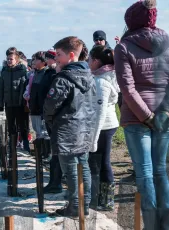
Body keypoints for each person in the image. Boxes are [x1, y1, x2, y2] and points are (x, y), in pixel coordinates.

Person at [114, 0, 169, 228]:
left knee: (145, 173)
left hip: (137, 117)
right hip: (163, 116)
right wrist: (164, 111)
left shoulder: (124, 47)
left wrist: (146, 116)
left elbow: (127, 88)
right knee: (160, 170)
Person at [44, 36, 97, 217]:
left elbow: (50, 106)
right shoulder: (89, 76)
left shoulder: (64, 79)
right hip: (85, 129)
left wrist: (50, 120)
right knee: (83, 166)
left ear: (71, 55)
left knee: (71, 170)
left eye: (59, 54)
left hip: (66, 130)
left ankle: (75, 206)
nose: (56, 58)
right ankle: (84, 204)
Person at [88, 46, 120, 210]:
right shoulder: (103, 77)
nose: (87, 62)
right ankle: (98, 197)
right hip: (103, 126)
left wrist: (93, 139)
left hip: (104, 127)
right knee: (98, 163)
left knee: (103, 163)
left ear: (96, 61)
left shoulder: (101, 82)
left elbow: (100, 112)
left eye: (89, 59)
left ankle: (107, 200)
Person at [0, 47, 29, 153]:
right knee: (11, 125)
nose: (9, 61)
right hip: (9, 103)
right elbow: (1, 88)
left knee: (22, 125)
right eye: (8, 59)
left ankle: (26, 144)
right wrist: (0, 103)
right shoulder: (4, 72)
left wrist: (24, 102)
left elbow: (25, 87)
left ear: (16, 59)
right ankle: (12, 144)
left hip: (20, 104)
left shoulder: (22, 71)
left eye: (11, 59)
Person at [42, 49, 63, 194]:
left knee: (59, 155)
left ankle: (57, 184)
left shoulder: (61, 77)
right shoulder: (50, 73)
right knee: (56, 154)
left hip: (60, 121)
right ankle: (54, 183)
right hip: (53, 119)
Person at [26, 51, 48, 139]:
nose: (33, 61)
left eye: (36, 59)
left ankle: (45, 151)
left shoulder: (47, 74)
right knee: (36, 130)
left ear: (43, 62)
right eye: (33, 59)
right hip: (33, 107)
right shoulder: (32, 74)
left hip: (42, 109)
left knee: (44, 132)